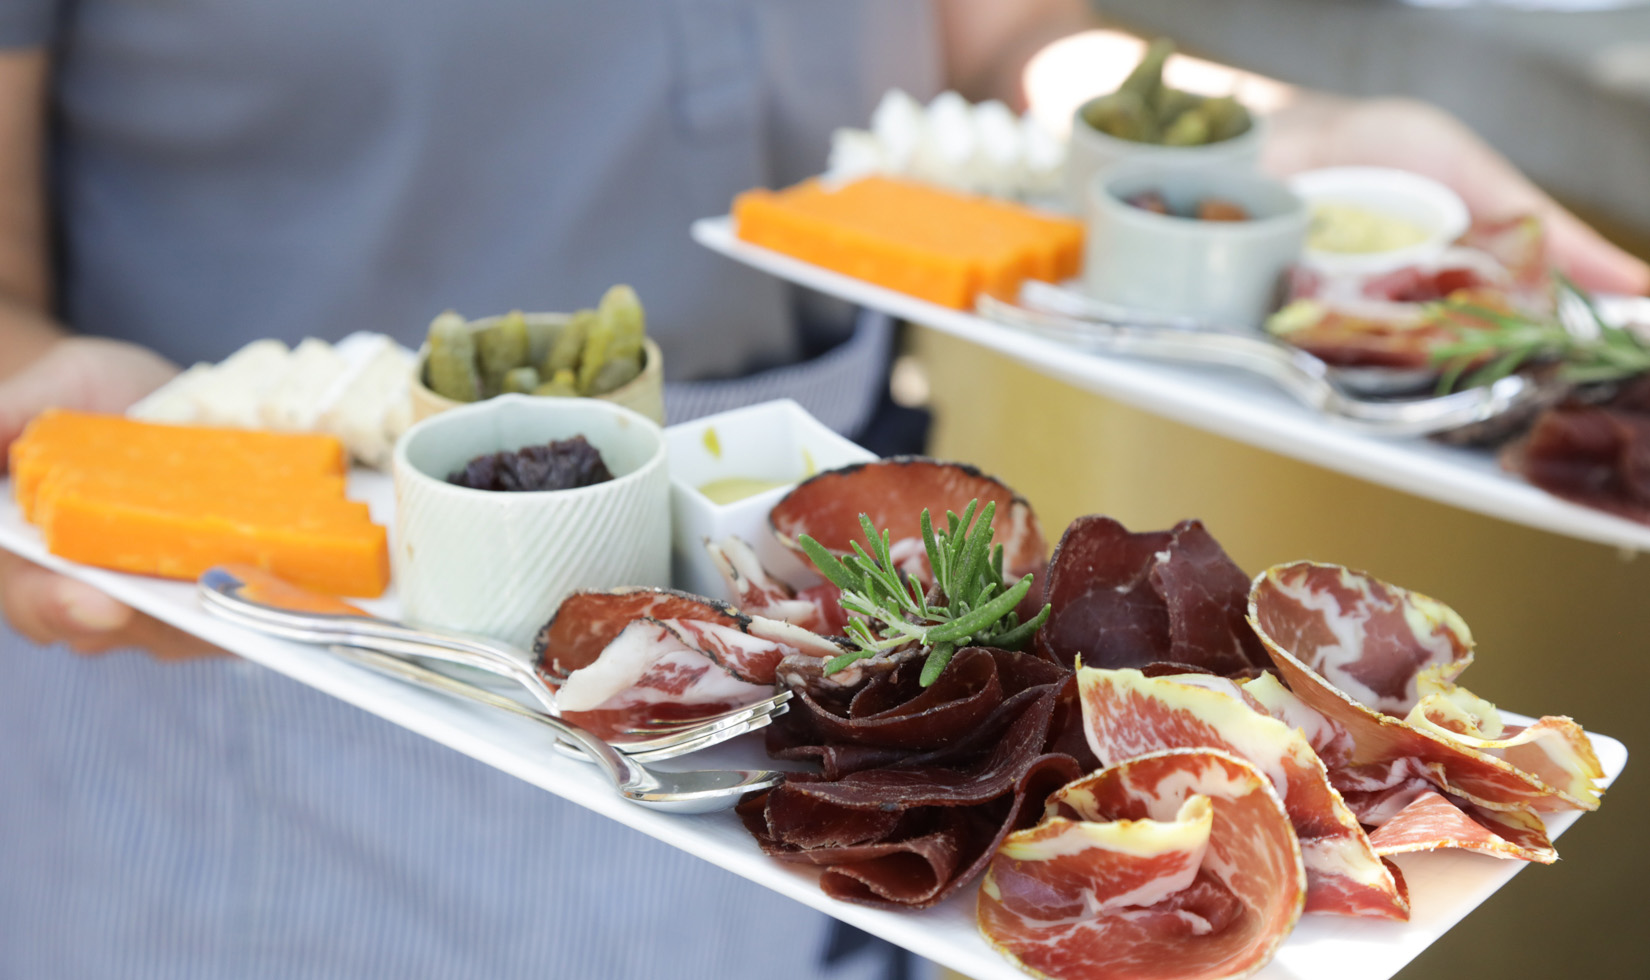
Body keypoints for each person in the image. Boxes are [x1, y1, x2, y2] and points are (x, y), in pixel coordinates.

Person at [1, 2, 1645, 977]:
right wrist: (38, 402)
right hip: (268, 633)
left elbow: (991, 35)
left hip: (804, 591)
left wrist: (1266, 148)